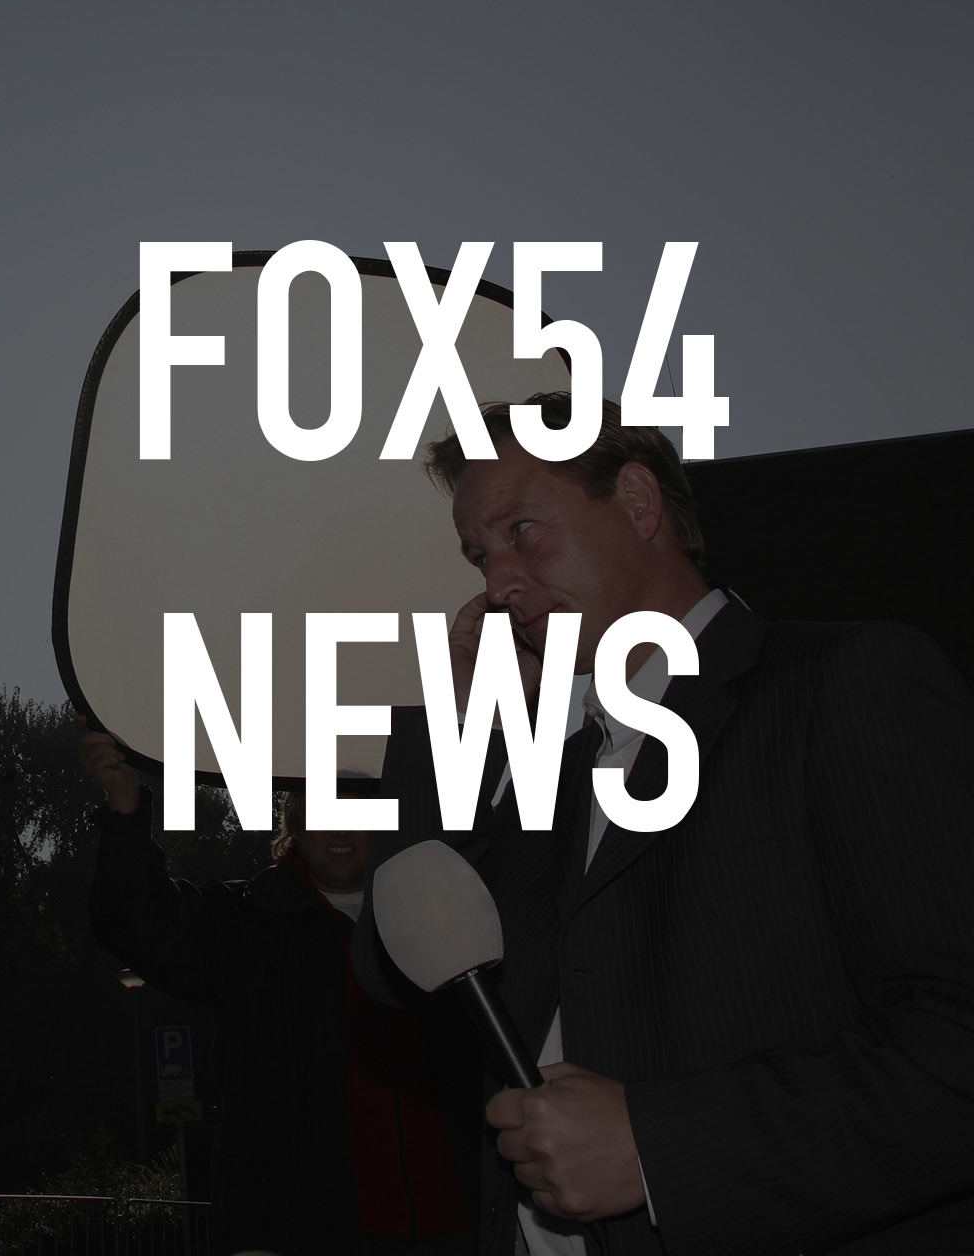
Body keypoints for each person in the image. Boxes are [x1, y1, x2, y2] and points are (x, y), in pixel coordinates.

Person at [354, 391, 974, 1256]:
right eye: (479, 555)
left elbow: (953, 1041)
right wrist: (460, 729)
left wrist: (657, 1149)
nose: (496, 584)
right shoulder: (546, 770)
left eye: (522, 530)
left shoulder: (841, 682)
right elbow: (397, 972)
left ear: (639, 502)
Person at [83, 723, 478, 1256]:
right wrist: (125, 806)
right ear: (293, 821)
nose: (340, 825)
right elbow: (135, 923)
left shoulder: (445, 920)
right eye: (321, 808)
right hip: (298, 1233)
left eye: (359, 809)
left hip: (453, 1227)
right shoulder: (248, 924)